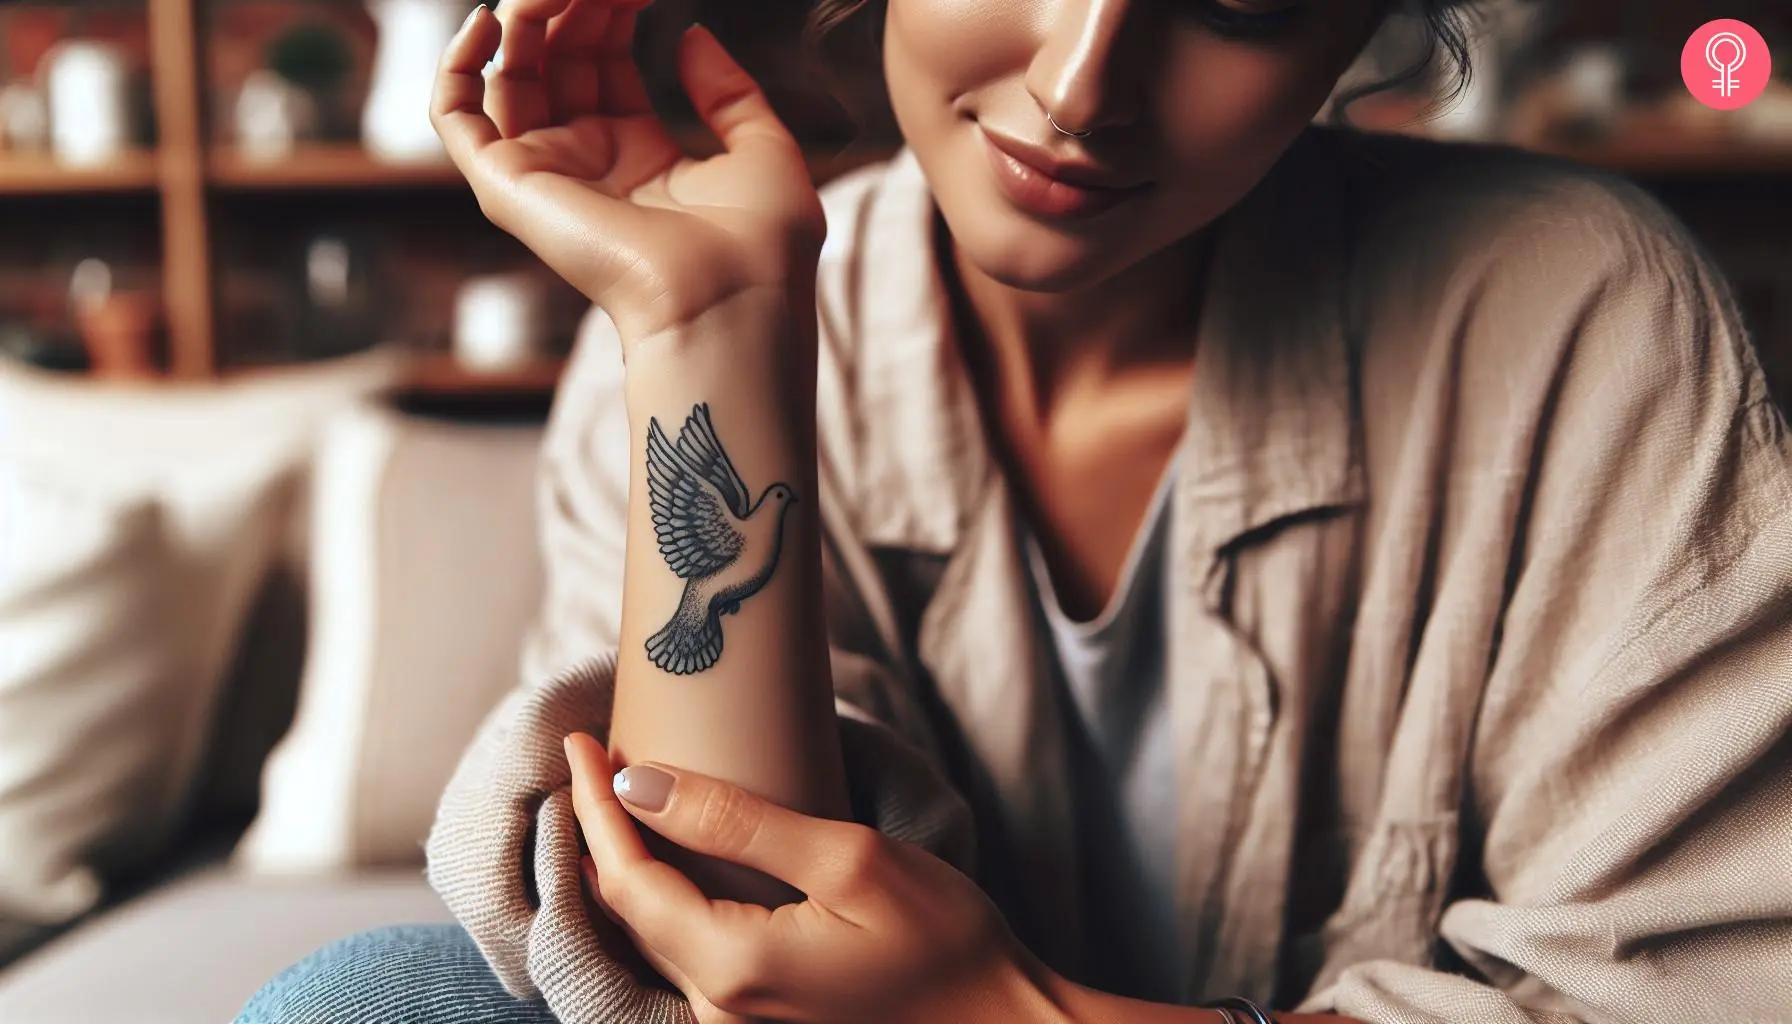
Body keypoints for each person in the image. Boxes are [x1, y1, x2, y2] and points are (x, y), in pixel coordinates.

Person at [239, 0, 1792, 1021]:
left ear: (1351, 36)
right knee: (370, 1001)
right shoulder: (709, 297)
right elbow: (692, 968)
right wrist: (712, 330)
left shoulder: (1577, 309)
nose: (1078, 84)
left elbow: (1695, 987)